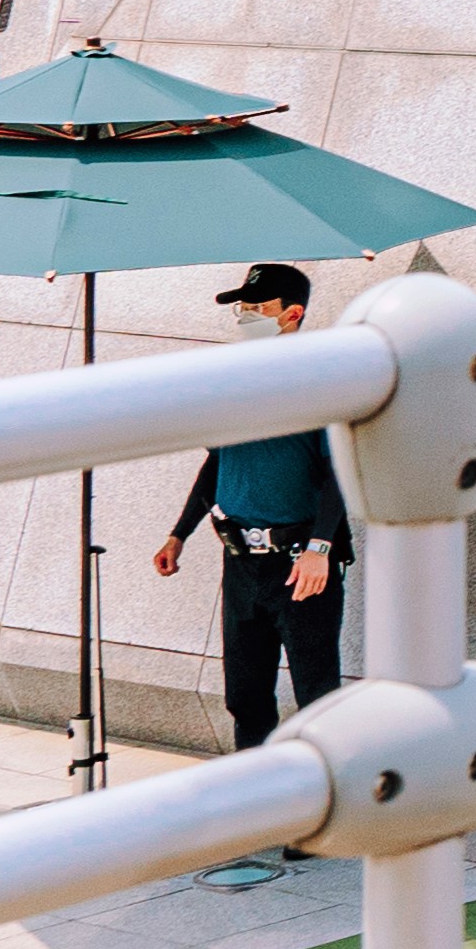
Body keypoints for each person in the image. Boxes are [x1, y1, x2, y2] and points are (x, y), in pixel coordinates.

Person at [155, 265, 355, 751]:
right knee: (245, 695)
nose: (245, 317)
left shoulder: (320, 382)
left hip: (300, 565)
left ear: (292, 314)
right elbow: (217, 464)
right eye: (242, 308)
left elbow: (342, 473)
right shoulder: (235, 383)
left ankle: (323, 797)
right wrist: (179, 533)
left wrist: (320, 548)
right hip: (241, 563)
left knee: (316, 694)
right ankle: (255, 795)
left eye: (256, 308)